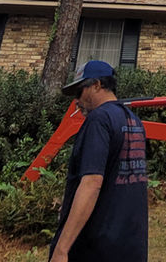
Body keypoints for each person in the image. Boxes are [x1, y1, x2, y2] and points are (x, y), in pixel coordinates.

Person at [49, 60, 148, 262]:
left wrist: (62, 249)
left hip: (97, 248)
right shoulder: (133, 121)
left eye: (79, 92)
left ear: (97, 85)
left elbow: (92, 183)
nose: (77, 100)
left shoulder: (98, 120)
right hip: (130, 245)